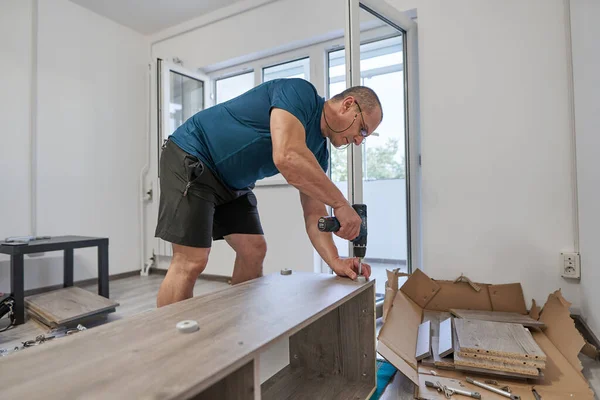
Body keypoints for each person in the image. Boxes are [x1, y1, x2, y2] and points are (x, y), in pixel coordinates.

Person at [155, 78, 383, 307]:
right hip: (194, 155)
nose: (358, 141)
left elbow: (314, 213)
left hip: (232, 183)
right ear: (348, 105)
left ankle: (234, 330)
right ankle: (168, 341)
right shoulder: (300, 93)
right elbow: (286, 156)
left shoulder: (319, 153)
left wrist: (335, 260)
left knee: (253, 250)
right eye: (362, 129)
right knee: (191, 260)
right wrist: (341, 204)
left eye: (364, 137)